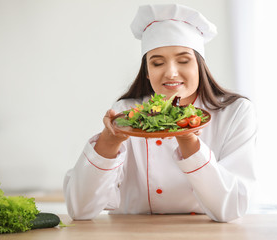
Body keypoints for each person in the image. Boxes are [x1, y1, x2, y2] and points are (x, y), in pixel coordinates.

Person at [63, 3, 257, 223]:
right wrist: (108, 141)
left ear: (200, 65)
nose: (171, 73)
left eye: (183, 60)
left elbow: (232, 208)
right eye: (157, 63)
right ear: (147, 72)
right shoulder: (126, 113)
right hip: (132, 234)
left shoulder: (235, 113)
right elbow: (80, 210)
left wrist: (188, 141)